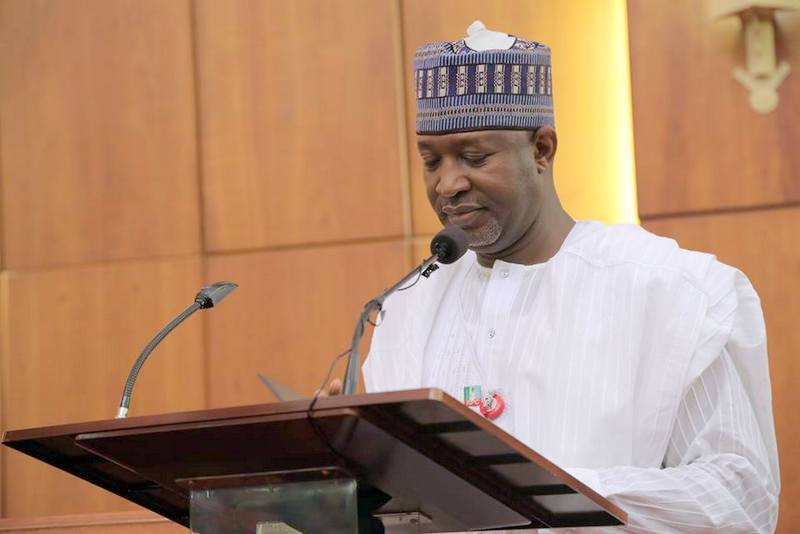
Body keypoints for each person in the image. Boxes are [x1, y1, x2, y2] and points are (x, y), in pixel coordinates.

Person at [360, 22, 780, 533]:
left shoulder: (677, 292)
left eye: (474, 157)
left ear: (541, 149)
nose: (447, 184)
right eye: (431, 161)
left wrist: (537, 496)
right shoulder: (407, 309)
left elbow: (738, 498)